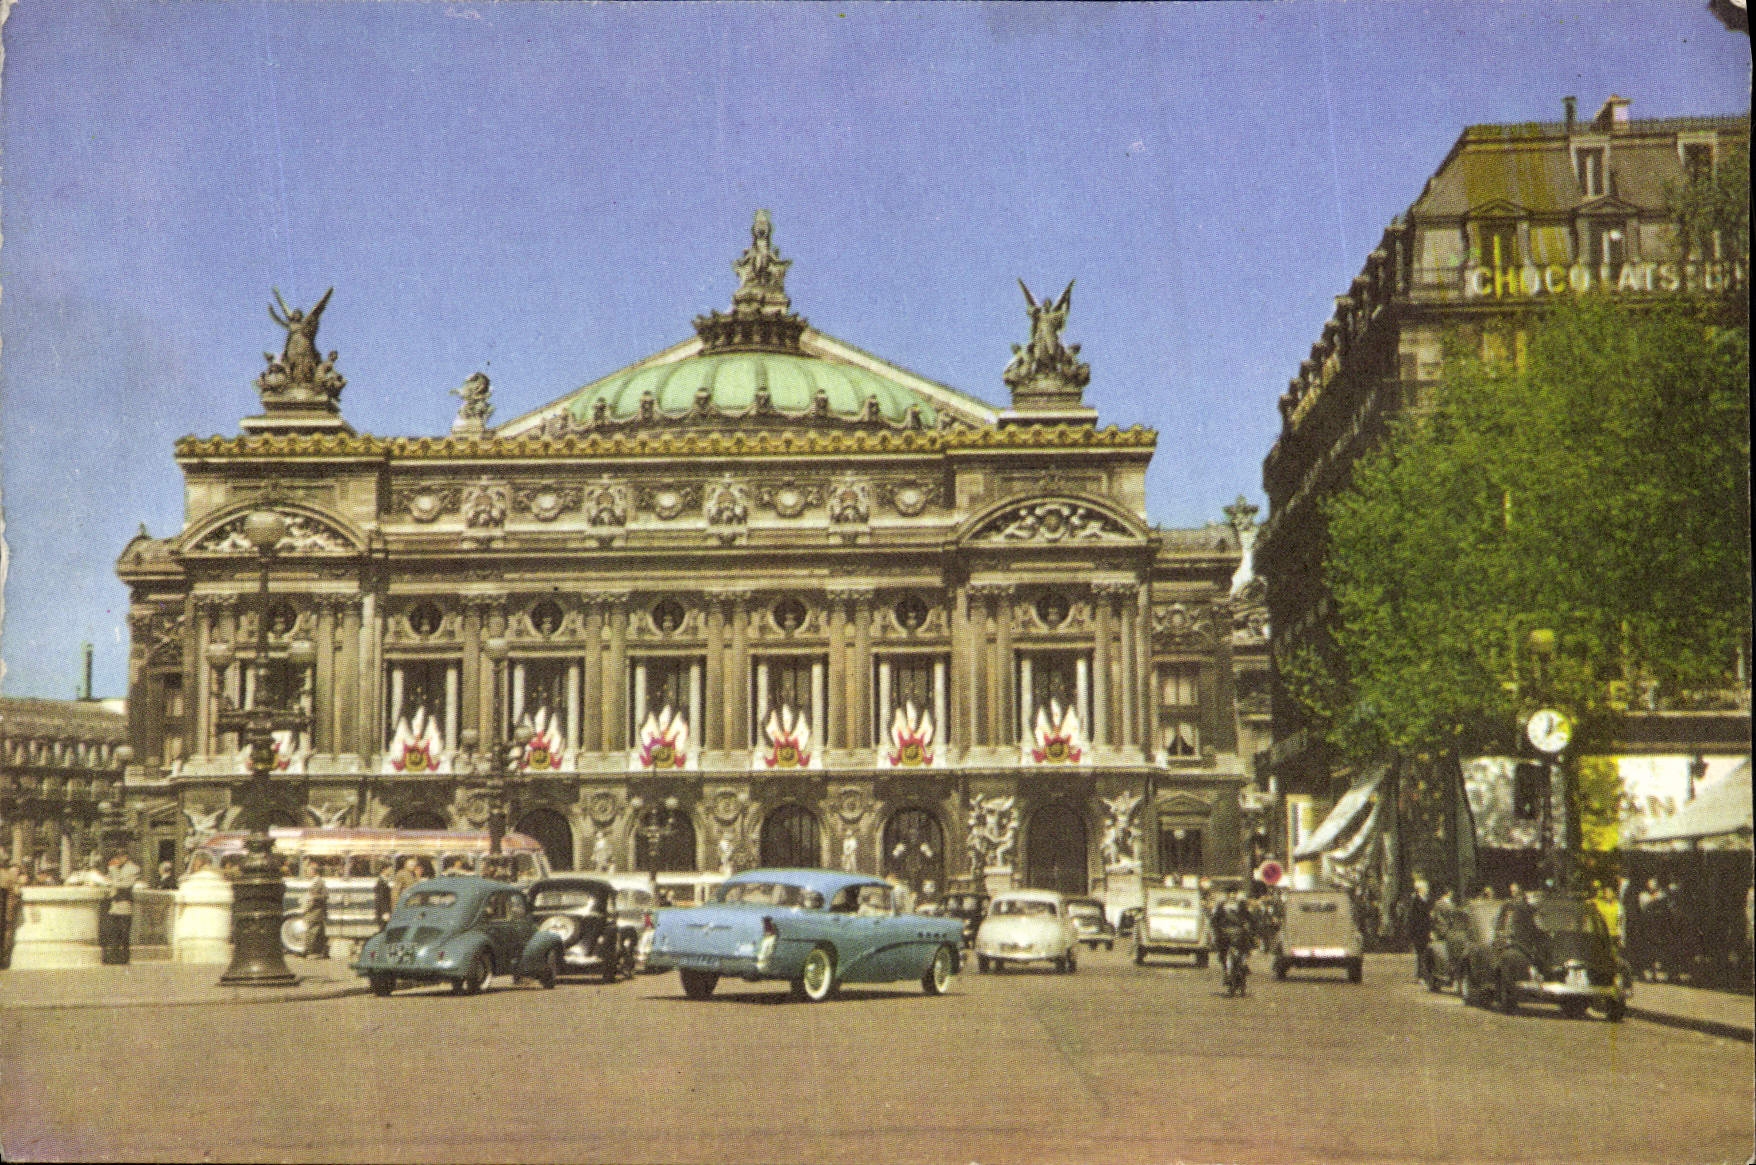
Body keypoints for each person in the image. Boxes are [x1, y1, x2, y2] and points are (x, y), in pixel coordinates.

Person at [1406, 882, 1433, 982]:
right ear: (1420, 889)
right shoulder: (1415, 901)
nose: (1427, 889)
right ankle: (1421, 975)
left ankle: (1424, 974)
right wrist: (1412, 933)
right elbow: (1412, 918)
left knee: (1425, 953)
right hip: (1419, 931)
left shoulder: (1428, 900)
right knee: (1420, 953)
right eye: (1425, 887)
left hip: (1426, 930)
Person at [302, 870, 329, 959]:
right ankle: (311, 951)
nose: (307, 873)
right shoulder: (314, 882)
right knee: (313, 931)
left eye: (309, 871)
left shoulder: (320, 882)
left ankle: (310, 952)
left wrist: (313, 897)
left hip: (317, 911)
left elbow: (325, 896)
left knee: (313, 932)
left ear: (314, 872)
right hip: (312, 910)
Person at [373, 862, 394, 931]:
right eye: (390, 869)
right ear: (384, 870)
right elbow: (381, 899)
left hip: (384, 911)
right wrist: (385, 912)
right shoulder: (381, 883)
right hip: (383, 912)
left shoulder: (384, 881)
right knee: (383, 930)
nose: (391, 871)